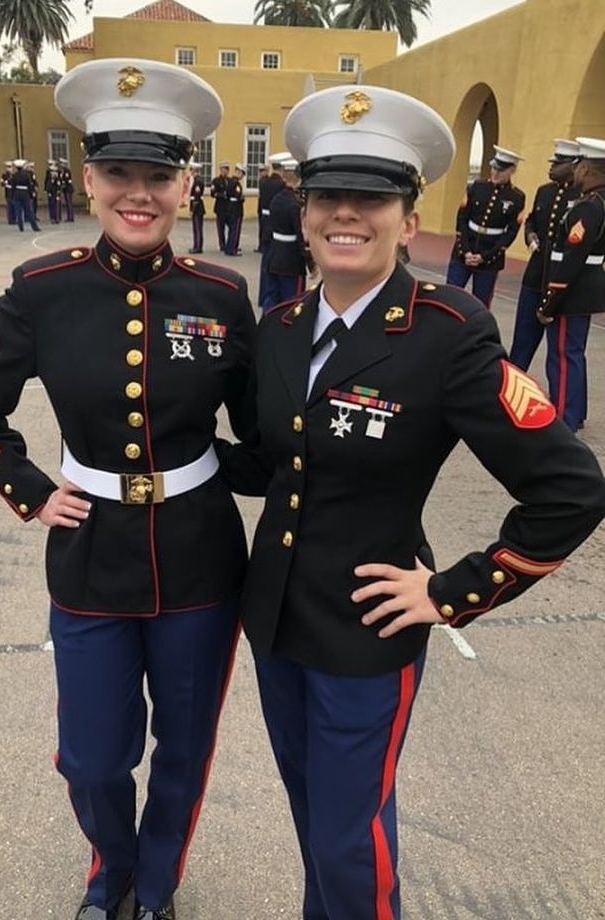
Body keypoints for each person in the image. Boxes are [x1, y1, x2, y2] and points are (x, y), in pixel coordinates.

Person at [218, 85, 605, 920]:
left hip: (367, 631)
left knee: (349, 839)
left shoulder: (448, 332)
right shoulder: (280, 327)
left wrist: (450, 591)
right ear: (303, 207)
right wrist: (161, 457)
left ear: (408, 210)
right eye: (328, 195)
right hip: (275, 617)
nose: (345, 214)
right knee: (313, 819)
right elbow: (271, 463)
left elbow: (571, 490)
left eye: (373, 196)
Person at [0, 58, 257, 920]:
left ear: (184, 184)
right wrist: (32, 492)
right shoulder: (43, 292)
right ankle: (110, 863)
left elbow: (265, 435)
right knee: (90, 755)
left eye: (159, 175)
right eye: (120, 172)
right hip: (86, 553)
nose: (139, 193)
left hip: (199, 558)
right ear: (89, 180)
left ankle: (153, 887)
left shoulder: (223, 297)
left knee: (185, 748)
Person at [536, 136, 605, 432]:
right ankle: (575, 412)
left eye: (578, 165)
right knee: (574, 352)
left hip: (574, 291)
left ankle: (564, 421)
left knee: (563, 355)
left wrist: (550, 302)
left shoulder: (588, 208)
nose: (575, 171)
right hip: (588, 288)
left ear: (587, 168)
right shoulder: (597, 202)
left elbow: (570, 260)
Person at [509, 139, 580, 370]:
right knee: (522, 341)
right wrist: (530, 236)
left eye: (558, 163)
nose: (551, 167)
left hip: (560, 279)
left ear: (573, 165)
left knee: (557, 352)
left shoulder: (581, 196)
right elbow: (531, 221)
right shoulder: (544, 191)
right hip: (535, 275)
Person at [446, 145, 525, 307]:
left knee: (480, 304)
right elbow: (462, 219)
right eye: (494, 168)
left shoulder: (516, 198)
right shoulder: (476, 187)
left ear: (512, 170)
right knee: (450, 296)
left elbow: (510, 232)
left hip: (489, 256)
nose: (495, 173)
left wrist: (486, 256)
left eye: (501, 170)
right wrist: (465, 251)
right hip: (464, 249)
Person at [263, 158, 310, 308]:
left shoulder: (276, 200)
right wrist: (310, 262)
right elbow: (300, 235)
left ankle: (267, 328)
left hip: (274, 256)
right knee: (292, 302)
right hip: (291, 261)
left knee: (272, 300)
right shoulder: (295, 204)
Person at [257, 153, 289, 306]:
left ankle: (263, 296)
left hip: (264, 220)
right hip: (277, 222)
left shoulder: (263, 182)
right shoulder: (281, 185)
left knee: (266, 263)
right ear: (282, 169)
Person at [10, 158, 41, 232]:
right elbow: (29, 185)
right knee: (29, 211)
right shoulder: (27, 175)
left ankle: (21, 227)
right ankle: (34, 227)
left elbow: (13, 186)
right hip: (25, 193)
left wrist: (12, 196)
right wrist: (31, 194)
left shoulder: (14, 175)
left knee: (18, 211)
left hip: (17, 193)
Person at [224, 163, 245, 256]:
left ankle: (230, 247)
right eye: (242, 174)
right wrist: (242, 198)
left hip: (230, 207)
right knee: (234, 230)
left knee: (232, 229)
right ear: (238, 172)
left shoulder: (231, 181)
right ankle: (232, 249)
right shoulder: (235, 183)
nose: (242, 176)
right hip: (235, 208)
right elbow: (237, 195)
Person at [210, 160, 229, 251]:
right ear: (220, 170)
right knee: (220, 227)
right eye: (224, 169)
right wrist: (222, 195)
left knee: (230, 226)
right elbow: (213, 193)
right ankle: (222, 244)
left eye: (227, 169)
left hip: (229, 207)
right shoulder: (216, 181)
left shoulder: (229, 181)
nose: (225, 171)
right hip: (220, 206)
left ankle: (230, 243)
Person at [188, 160, 205, 253]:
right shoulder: (195, 180)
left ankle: (198, 247)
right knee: (196, 228)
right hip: (196, 206)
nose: (191, 172)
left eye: (192, 170)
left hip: (197, 208)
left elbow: (196, 198)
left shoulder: (198, 181)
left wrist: (192, 210)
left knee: (198, 228)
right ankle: (196, 245)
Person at [255, 162, 269, 250]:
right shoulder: (261, 180)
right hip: (261, 207)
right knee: (261, 228)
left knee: (265, 228)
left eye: (262, 171)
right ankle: (261, 245)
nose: (261, 173)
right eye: (260, 171)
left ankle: (263, 245)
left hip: (265, 208)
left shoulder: (266, 181)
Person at [59, 157, 76, 221]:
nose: (61, 165)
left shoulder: (67, 171)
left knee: (69, 203)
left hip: (68, 189)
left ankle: (71, 217)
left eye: (62, 164)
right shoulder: (62, 171)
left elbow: (67, 180)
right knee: (67, 203)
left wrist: (63, 185)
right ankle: (69, 216)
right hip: (65, 189)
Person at [0, 160, 15, 224]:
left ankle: (14, 218)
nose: (10, 168)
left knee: (14, 206)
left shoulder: (14, 175)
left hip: (13, 192)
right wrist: (6, 182)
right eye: (8, 167)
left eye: (10, 167)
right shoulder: (4, 175)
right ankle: (10, 220)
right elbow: (2, 184)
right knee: (9, 207)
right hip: (8, 192)